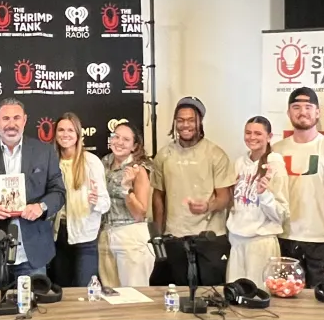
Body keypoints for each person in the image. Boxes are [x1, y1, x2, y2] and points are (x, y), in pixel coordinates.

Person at [0, 98, 65, 280]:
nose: (11, 124)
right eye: (5, 119)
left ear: (25, 120)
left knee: (32, 307)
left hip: (34, 252)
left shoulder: (44, 152)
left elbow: (58, 192)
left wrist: (40, 207)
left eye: (16, 118)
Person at [151, 96, 235, 289]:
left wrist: (208, 205)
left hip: (210, 238)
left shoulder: (215, 154)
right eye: (180, 120)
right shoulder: (164, 155)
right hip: (175, 237)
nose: (185, 125)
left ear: (200, 122)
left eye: (191, 120)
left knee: (212, 294)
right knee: (177, 294)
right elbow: (158, 196)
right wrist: (158, 233)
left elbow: (224, 197)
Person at [273, 87, 324, 287]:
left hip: (322, 240)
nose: (302, 112)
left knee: (323, 302)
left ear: (318, 112)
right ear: (289, 113)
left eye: (308, 107)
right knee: (284, 301)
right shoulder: (276, 151)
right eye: (296, 107)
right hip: (284, 237)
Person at [226, 116, 289, 283]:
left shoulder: (275, 164)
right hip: (237, 241)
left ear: (269, 137)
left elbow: (282, 213)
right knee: (235, 297)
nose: (252, 137)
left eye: (258, 133)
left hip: (261, 242)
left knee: (259, 298)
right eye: (248, 133)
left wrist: (264, 194)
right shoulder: (239, 162)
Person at [52, 113, 110, 288]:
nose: (65, 134)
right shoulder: (50, 161)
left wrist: (95, 200)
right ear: (55, 133)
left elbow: (105, 203)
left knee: (85, 291)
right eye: (61, 130)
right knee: (61, 292)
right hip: (57, 236)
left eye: (70, 130)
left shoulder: (91, 162)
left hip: (85, 237)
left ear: (78, 134)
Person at [98, 121, 155, 288]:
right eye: (116, 137)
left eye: (126, 139)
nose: (119, 142)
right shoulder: (104, 163)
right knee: (111, 296)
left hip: (131, 237)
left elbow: (140, 213)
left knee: (134, 296)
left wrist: (126, 189)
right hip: (105, 236)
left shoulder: (138, 169)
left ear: (134, 146)